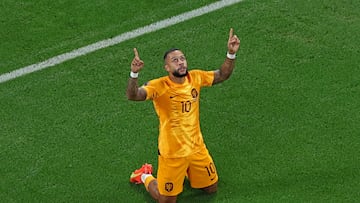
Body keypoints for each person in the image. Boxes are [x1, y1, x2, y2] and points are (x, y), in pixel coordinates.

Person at [126, 28, 240, 203]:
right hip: (172, 154)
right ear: (167, 67)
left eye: (182, 59)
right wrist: (134, 74)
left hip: (196, 148)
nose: (180, 63)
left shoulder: (196, 77)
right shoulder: (158, 86)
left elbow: (222, 74)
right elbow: (133, 95)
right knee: (167, 200)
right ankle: (144, 176)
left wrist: (231, 54)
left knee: (211, 188)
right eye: (175, 60)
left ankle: (188, 171)